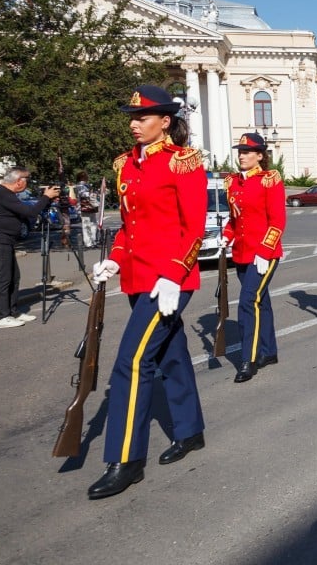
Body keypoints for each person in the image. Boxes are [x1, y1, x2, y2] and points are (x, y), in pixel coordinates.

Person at [87, 85, 207, 500]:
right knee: (170, 354)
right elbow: (128, 224)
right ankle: (190, 431)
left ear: (165, 122)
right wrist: (116, 258)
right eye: (132, 117)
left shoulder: (183, 162)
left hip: (169, 281)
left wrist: (175, 274)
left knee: (131, 362)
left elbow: (194, 226)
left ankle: (125, 460)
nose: (135, 124)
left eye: (143, 117)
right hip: (139, 277)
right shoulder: (126, 164)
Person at [222, 133, 286, 383]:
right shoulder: (233, 182)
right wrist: (226, 236)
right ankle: (269, 352)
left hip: (264, 254)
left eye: (247, 152)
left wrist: (264, 250)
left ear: (260, 155)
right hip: (241, 252)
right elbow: (235, 219)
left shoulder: (269, 180)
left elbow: (278, 220)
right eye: (240, 151)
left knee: (248, 302)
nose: (242, 155)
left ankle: (248, 358)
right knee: (262, 302)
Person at [0, 168, 61, 328]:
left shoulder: (7, 195)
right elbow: (30, 212)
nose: (28, 183)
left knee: (13, 277)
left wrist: (46, 199)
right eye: (27, 180)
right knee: (3, 278)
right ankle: (1, 317)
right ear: (19, 181)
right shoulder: (1, 193)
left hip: (5, 241)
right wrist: (46, 197)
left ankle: (12, 312)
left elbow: (24, 212)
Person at [74, 171, 99, 248]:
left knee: (89, 225)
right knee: (89, 224)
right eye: (86, 176)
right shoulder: (81, 186)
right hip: (85, 206)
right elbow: (84, 195)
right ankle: (90, 242)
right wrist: (94, 194)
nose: (87, 178)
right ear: (82, 177)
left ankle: (90, 241)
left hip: (86, 207)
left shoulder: (82, 186)